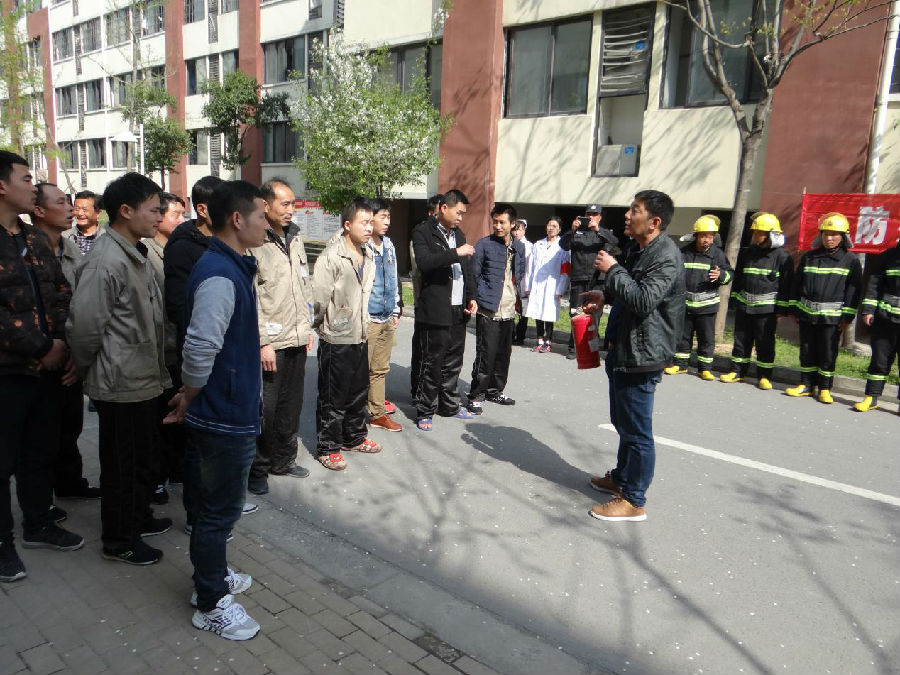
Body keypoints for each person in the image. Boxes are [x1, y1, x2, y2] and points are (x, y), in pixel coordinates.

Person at [164, 180, 264, 640]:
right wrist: (190, 394)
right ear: (237, 220)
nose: (267, 224)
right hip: (222, 414)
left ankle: (213, 576)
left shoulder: (231, 265)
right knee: (216, 514)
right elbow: (201, 345)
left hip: (227, 407)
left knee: (215, 510)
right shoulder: (221, 273)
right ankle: (210, 602)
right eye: (261, 216)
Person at [67, 172, 172, 565]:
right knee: (122, 465)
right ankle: (119, 540)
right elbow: (85, 326)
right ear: (126, 211)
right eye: (153, 209)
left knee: (142, 459)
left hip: (141, 378)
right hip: (119, 382)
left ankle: (138, 517)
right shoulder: (106, 260)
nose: (159, 216)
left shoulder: (134, 252)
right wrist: (84, 370)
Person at [0, 152, 84, 584]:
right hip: (8, 372)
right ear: (2, 186)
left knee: (40, 451)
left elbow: (60, 293)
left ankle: (38, 523)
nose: (32, 186)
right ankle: (2, 546)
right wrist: (41, 346)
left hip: (47, 368)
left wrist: (63, 345)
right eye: (25, 177)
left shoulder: (34, 240)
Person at [584, 190, 684, 522]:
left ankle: (633, 499)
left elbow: (644, 300)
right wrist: (606, 294)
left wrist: (613, 270)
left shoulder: (665, 255)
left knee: (637, 431)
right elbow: (632, 292)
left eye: (635, 210)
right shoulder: (641, 250)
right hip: (626, 348)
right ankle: (622, 478)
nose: (627, 215)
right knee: (623, 422)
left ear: (654, 222)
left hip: (643, 354)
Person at [31, 183, 100, 501]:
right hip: (39, 355)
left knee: (70, 425)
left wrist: (76, 352)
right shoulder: (25, 251)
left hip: (71, 351)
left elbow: (80, 304)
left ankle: (69, 483)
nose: (71, 209)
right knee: (41, 433)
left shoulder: (71, 249)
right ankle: (39, 504)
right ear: (39, 210)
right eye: (61, 202)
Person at [248, 178, 313, 495]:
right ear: (265, 205)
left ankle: (283, 460)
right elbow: (252, 297)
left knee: (291, 405)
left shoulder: (295, 237)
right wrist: (263, 342)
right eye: (285, 204)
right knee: (266, 410)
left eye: (293, 204)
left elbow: (304, 285)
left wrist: (307, 327)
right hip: (271, 343)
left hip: (297, 336)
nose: (291, 210)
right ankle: (257, 469)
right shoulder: (254, 241)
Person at [311, 197, 382, 470]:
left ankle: (354, 437)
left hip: (360, 335)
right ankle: (328, 447)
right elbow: (318, 300)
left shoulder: (368, 254)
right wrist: (321, 327)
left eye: (371, 222)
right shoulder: (332, 256)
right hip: (336, 339)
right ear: (348, 225)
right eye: (364, 222)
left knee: (357, 393)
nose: (369, 227)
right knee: (333, 397)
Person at [411, 189, 478, 431]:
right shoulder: (423, 231)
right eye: (458, 212)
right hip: (436, 307)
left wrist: (471, 296)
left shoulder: (458, 234)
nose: (461, 217)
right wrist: (455, 253)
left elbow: (467, 269)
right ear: (443, 208)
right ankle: (425, 409)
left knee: (453, 361)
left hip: (458, 307)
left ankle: (449, 405)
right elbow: (425, 262)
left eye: (463, 214)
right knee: (432, 362)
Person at [786, 212, 862, 404]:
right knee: (807, 350)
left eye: (834, 234)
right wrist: (794, 309)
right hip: (807, 314)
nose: (829, 238)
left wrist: (847, 317)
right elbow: (797, 283)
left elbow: (853, 291)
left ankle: (825, 388)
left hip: (832, 318)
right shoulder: (809, 257)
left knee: (828, 352)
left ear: (843, 237)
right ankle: (806, 385)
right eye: (826, 234)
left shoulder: (850, 260)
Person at [143, 192, 186, 504]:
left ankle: (174, 470)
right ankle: (155, 478)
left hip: (176, 347)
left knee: (175, 414)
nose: (181, 220)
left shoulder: (176, 249)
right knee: (158, 418)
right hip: (157, 349)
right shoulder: (147, 253)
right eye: (175, 214)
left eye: (183, 214)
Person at [720, 212, 793, 389]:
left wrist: (781, 310)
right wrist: (735, 300)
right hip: (745, 307)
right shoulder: (748, 253)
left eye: (759, 232)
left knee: (764, 343)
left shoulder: (783, 257)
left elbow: (787, 285)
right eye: (755, 232)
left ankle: (764, 377)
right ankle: (737, 372)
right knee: (741, 341)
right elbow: (738, 278)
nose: (755, 235)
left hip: (766, 311)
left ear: (771, 235)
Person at [466, 203, 526, 414]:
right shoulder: (484, 244)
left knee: (503, 355)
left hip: (509, 308)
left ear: (513, 224)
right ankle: (476, 395)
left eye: (502, 222)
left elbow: (519, 274)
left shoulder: (519, 247)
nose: (498, 226)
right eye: (495, 222)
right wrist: (475, 297)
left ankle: (495, 391)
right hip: (488, 309)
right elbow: (474, 274)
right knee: (486, 354)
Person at [665, 215, 733, 380]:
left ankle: (705, 369)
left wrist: (721, 275)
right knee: (683, 336)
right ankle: (680, 365)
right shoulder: (684, 252)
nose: (706, 240)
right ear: (696, 236)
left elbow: (730, 275)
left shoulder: (718, 255)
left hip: (707, 306)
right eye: (703, 236)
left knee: (706, 339)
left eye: (710, 236)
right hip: (686, 304)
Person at [560, 203, 618, 359]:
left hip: (596, 280)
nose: (591, 217)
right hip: (578, 279)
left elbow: (614, 243)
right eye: (588, 214)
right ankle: (574, 349)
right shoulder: (576, 231)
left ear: (600, 217)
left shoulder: (603, 233)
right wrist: (572, 230)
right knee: (575, 313)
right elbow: (563, 245)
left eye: (594, 214)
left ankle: (592, 349)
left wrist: (597, 229)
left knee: (594, 315)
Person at [366, 197, 403, 432]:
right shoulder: (362, 245)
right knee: (361, 369)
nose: (387, 221)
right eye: (383, 216)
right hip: (368, 317)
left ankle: (377, 413)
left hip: (387, 315)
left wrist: (396, 308)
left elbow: (393, 276)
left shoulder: (388, 245)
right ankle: (353, 415)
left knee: (380, 369)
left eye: (389, 217)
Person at [854, 234, 900, 412]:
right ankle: (871, 397)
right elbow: (874, 285)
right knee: (879, 361)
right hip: (885, 319)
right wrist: (868, 310)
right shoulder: (887, 256)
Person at [410, 193, 442, 399]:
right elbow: (419, 269)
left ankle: (431, 391)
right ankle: (418, 391)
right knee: (422, 349)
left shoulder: (446, 233)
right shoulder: (421, 233)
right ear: (432, 212)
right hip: (424, 300)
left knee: (437, 351)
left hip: (441, 303)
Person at [524, 216, 569, 354]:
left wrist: (561, 288)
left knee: (549, 313)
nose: (551, 228)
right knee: (537, 311)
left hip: (552, 284)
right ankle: (539, 339)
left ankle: (548, 341)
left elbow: (565, 269)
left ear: (559, 229)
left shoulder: (563, 246)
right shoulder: (538, 244)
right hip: (537, 283)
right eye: (549, 225)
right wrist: (528, 286)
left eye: (554, 226)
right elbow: (531, 267)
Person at [512, 219, 532, 345]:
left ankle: (520, 336)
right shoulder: (509, 243)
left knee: (523, 310)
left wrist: (528, 284)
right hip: (511, 280)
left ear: (524, 231)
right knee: (510, 308)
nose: (517, 233)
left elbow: (529, 267)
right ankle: (510, 334)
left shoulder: (529, 246)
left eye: (519, 230)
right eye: (515, 230)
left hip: (524, 280)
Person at [63, 190, 103, 255]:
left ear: (98, 213)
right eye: (77, 209)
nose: (80, 213)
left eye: (85, 210)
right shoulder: (64, 236)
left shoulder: (106, 238)